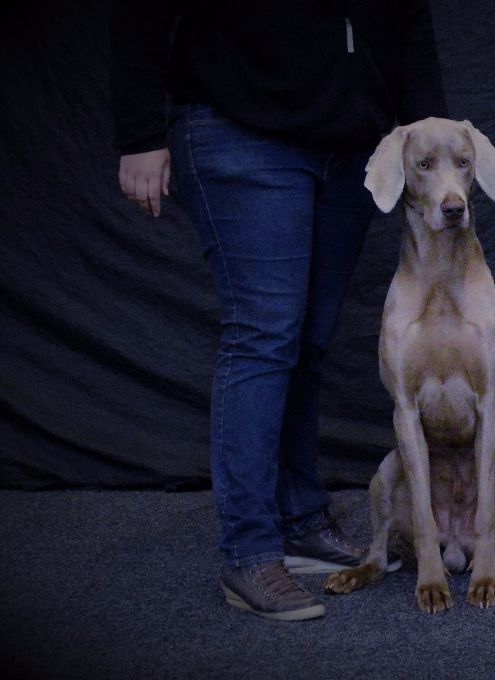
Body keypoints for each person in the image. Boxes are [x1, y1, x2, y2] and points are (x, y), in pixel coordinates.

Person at [111, 0, 448, 620]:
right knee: (263, 338)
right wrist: (137, 133)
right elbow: (140, 13)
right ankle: (250, 551)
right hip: (240, 130)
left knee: (308, 342)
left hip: (350, 151)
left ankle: (299, 520)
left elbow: (409, 27)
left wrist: (436, 138)